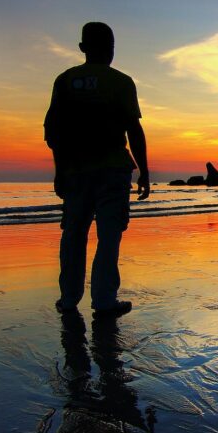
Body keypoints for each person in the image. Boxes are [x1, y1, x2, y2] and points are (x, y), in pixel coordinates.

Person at [44, 22, 149, 318]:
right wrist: (145, 171)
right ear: (111, 50)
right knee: (109, 236)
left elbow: (53, 132)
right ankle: (104, 301)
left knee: (73, 234)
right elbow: (134, 130)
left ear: (82, 48)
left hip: (75, 171)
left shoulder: (65, 80)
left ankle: (68, 299)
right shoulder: (121, 81)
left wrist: (59, 169)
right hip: (113, 171)